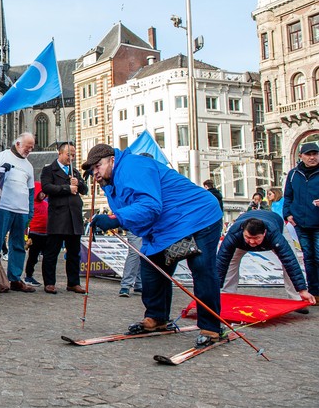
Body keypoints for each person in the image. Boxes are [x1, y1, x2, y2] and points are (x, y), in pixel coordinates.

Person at [84, 143, 224, 347]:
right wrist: (114, 218)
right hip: (167, 226)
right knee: (151, 266)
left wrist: (116, 219)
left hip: (199, 216)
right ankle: (157, 317)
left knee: (201, 268)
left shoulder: (132, 167)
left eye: (97, 166)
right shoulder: (111, 184)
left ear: (112, 160)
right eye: (91, 170)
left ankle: (211, 327)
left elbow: (150, 206)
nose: (94, 172)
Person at [217, 209, 315, 313]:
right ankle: (227, 295)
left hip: (275, 222)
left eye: (256, 238)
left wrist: (302, 290)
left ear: (264, 233)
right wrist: (214, 290)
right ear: (243, 231)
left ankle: (297, 298)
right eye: (248, 237)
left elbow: (290, 261)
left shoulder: (274, 235)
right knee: (232, 261)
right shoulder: (234, 234)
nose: (252, 241)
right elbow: (221, 262)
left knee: (288, 261)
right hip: (241, 240)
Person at [0, 132, 36, 292]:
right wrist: (0, 171)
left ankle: (14, 278)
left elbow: (30, 191)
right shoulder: (1, 157)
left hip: (21, 210)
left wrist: (30, 212)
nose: (29, 151)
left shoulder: (29, 165)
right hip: (4, 207)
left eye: (32, 148)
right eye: (27, 147)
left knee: (18, 245)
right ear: (17, 144)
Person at [40, 142, 88, 294]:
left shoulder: (74, 171)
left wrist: (78, 183)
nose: (71, 157)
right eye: (69, 154)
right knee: (52, 252)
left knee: (74, 253)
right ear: (60, 153)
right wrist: (67, 188)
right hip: (58, 216)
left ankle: (73, 282)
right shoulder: (49, 170)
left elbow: (84, 190)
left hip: (74, 216)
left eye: (73, 155)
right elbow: (46, 187)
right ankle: (49, 282)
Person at [283, 141, 319, 300]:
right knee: (308, 257)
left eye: (315, 154)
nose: (312, 157)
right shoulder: (293, 174)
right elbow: (288, 196)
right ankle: (315, 292)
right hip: (300, 223)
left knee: (318, 257)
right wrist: (287, 215)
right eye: (309, 154)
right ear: (301, 156)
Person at [23, 181, 47, 287]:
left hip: (45, 233)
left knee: (46, 257)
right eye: (40, 192)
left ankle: (47, 278)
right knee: (33, 256)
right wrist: (26, 236)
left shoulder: (46, 204)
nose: (42, 195)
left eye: (44, 193)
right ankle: (28, 275)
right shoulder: (30, 204)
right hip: (34, 233)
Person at [118, 233, 143, 297]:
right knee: (135, 253)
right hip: (135, 227)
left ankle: (139, 284)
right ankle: (126, 285)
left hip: (151, 225)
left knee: (145, 253)